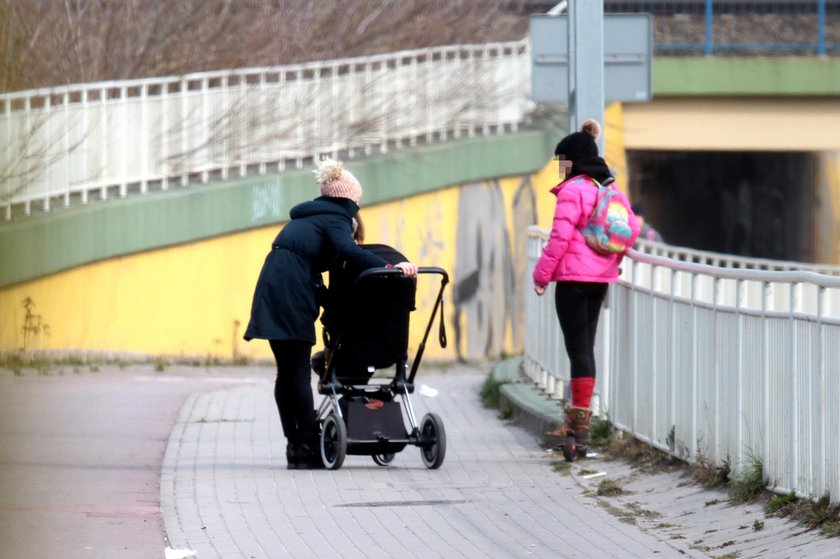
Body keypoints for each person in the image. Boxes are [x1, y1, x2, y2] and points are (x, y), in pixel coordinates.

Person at [243, 158, 417, 469]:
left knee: (288, 370)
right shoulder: (335, 217)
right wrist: (391, 267)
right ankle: (307, 444)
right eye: (356, 202)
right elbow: (348, 251)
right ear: (349, 199)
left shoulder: (309, 219)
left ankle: (296, 446)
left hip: (274, 283)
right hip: (290, 288)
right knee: (295, 371)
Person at [532, 119, 639, 454]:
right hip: (600, 280)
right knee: (586, 349)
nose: (559, 167)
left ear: (572, 159)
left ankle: (578, 423)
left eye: (561, 160)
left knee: (577, 351)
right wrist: (612, 262)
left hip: (574, 281)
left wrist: (541, 275)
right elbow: (627, 231)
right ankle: (580, 420)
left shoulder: (573, 190)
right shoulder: (608, 190)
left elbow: (559, 239)